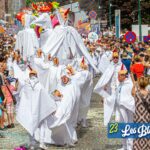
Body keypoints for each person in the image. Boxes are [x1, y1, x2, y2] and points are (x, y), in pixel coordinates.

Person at [16, 70, 56, 149]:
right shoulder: (39, 85)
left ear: (30, 75)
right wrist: (52, 106)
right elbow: (46, 97)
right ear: (36, 75)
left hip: (29, 109)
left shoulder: (26, 86)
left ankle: (32, 144)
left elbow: (21, 96)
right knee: (42, 125)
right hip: (39, 109)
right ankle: (41, 143)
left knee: (30, 124)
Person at [116, 70, 135, 150]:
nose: (118, 77)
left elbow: (131, 97)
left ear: (124, 76)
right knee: (122, 126)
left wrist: (125, 103)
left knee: (129, 126)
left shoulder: (129, 84)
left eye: (120, 75)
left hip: (128, 108)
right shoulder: (120, 84)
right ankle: (124, 146)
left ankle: (130, 146)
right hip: (121, 107)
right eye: (118, 75)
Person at [132, 77, 150, 150]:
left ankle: (137, 147)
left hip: (138, 117)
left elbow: (132, 92)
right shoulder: (149, 94)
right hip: (147, 117)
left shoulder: (136, 94)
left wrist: (134, 84)